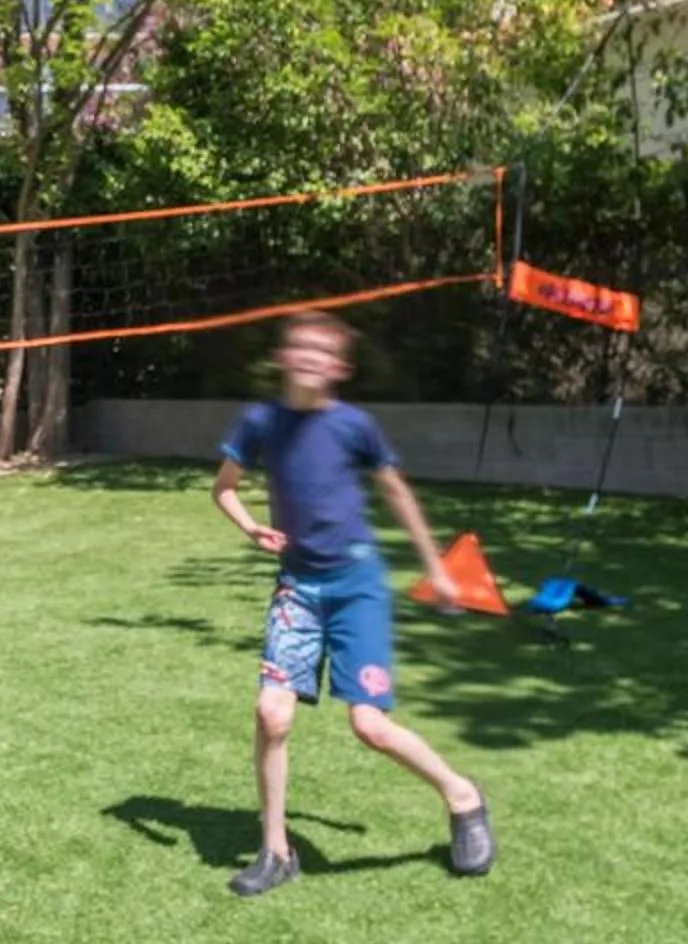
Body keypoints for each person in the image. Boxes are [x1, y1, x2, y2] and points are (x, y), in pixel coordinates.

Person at [210, 311, 494, 896]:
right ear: (284, 357)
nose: (311, 357)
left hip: (356, 585)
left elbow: (395, 490)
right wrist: (251, 528)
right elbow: (223, 488)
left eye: (324, 351)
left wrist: (435, 565)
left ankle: (462, 795)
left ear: (340, 368)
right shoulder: (261, 422)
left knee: (370, 725)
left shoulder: (354, 426)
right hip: (297, 588)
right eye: (302, 347)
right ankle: (275, 851)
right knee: (271, 714)